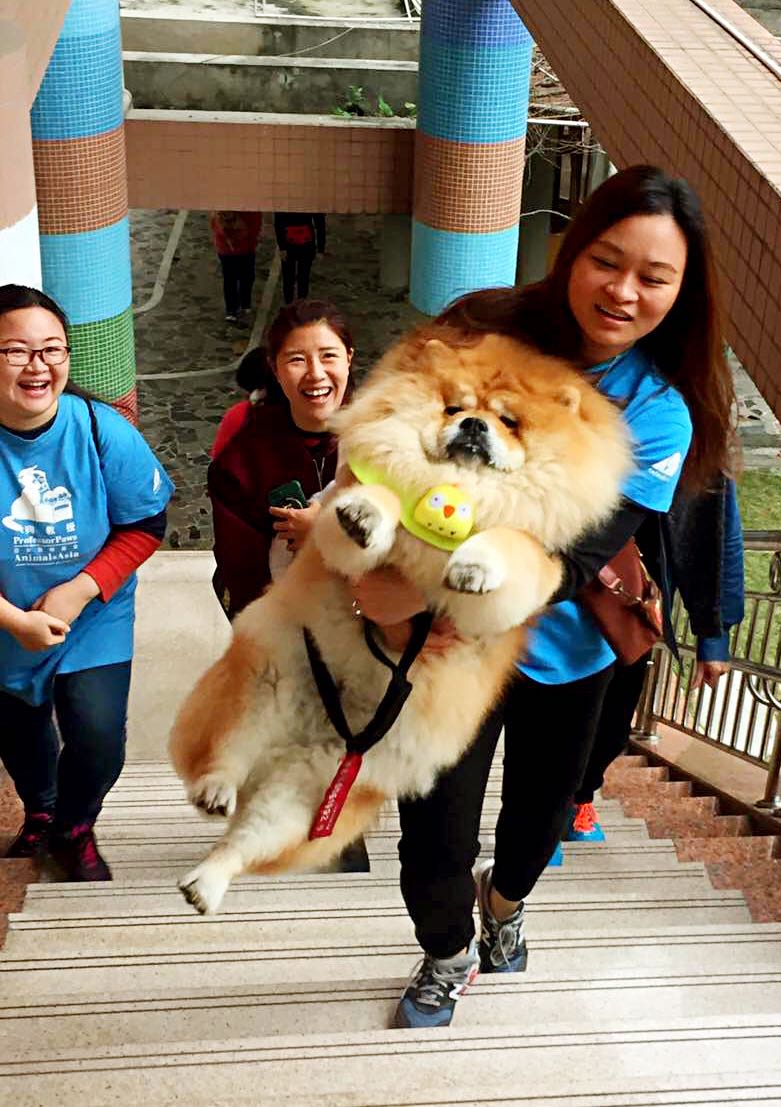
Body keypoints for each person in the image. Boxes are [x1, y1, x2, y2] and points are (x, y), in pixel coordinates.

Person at [350, 165, 736, 1028]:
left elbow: (574, 552)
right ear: (571, 251)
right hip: (453, 655)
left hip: (566, 651)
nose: (624, 291)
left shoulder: (663, 414)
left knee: (539, 821)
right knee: (433, 839)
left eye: (654, 277)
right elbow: (383, 441)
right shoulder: (481, 332)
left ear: (682, 292)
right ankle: (448, 951)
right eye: (607, 260)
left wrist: (421, 599)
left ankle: (506, 904)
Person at [0, 284, 174, 880]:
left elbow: (147, 523)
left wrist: (80, 588)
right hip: (5, 620)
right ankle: (42, 813)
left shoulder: (103, 430)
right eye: (17, 351)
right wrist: (14, 620)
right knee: (20, 730)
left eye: (53, 350)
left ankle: (75, 824)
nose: (38, 365)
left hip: (92, 618)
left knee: (99, 738)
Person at [567, 474, 745, 842]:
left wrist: (713, 636)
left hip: (630, 601)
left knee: (612, 725)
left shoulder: (693, 434)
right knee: (545, 721)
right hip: (560, 584)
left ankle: (576, 799)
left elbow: (719, 537)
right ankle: (537, 823)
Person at [207, 298, 353, 622]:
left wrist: (325, 533)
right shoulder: (243, 460)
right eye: (297, 360)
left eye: (329, 356)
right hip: (286, 627)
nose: (316, 374)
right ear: (274, 367)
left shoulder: (383, 440)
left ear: (349, 359)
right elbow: (241, 570)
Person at [209, 211, 262, 323]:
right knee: (230, 279)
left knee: (246, 277)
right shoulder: (219, 213)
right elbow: (216, 226)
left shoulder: (250, 212)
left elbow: (254, 228)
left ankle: (244, 303)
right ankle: (231, 309)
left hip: (245, 248)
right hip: (227, 250)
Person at [273, 213, 326, 303]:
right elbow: (278, 221)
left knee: (303, 278)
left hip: (304, 242)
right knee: (289, 279)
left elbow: (320, 223)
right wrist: (282, 247)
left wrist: (321, 249)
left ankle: (300, 305)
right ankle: (290, 305)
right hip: (290, 243)